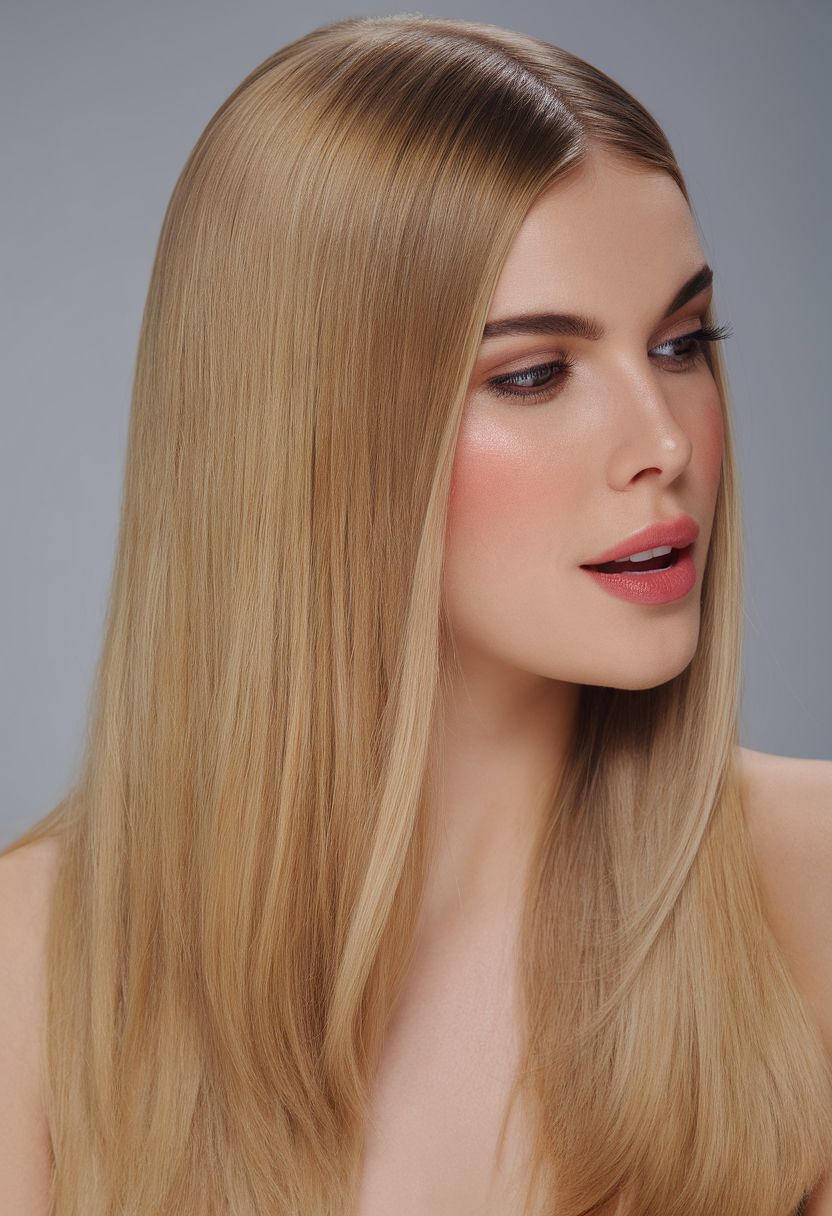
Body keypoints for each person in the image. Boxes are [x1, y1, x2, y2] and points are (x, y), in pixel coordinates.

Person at [1, 13, 831, 1215]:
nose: (665, 442)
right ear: (313, 439)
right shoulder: (34, 973)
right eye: (534, 374)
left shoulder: (811, 883)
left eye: (682, 342)